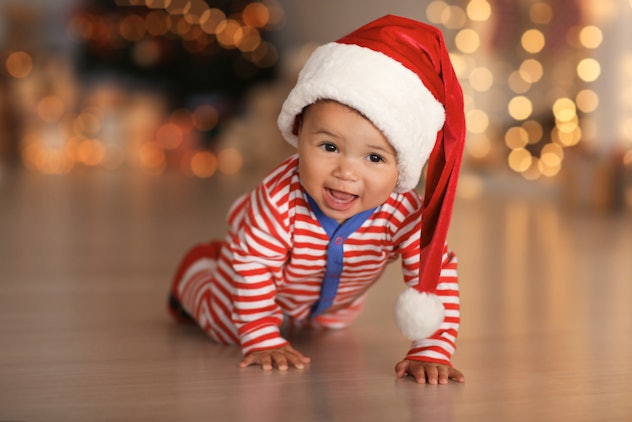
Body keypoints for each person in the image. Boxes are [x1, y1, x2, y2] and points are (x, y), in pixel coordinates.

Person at [168, 15, 466, 385]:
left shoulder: (402, 213)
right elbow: (255, 265)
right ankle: (197, 273)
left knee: (330, 327)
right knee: (225, 323)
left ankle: (302, 316)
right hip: (252, 275)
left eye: (374, 158)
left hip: (331, 302)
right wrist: (261, 337)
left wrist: (430, 350)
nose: (346, 172)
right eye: (329, 147)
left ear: (402, 167)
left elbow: (432, 275)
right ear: (298, 134)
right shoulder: (280, 198)